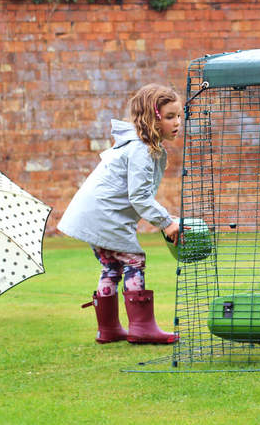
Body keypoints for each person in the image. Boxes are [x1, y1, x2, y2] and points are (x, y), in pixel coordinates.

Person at [57, 83, 183, 344]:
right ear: (152, 118)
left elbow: (138, 194)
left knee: (112, 266)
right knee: (134, 260)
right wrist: (166, 222)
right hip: (103, 217)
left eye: (179, 115)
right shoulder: (140, 149)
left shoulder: (142, 146)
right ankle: (142, 328)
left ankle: (109, 328)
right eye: (170, 117)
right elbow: (139, 197)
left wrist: (166, 218)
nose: (177, 122)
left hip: (95, 215)